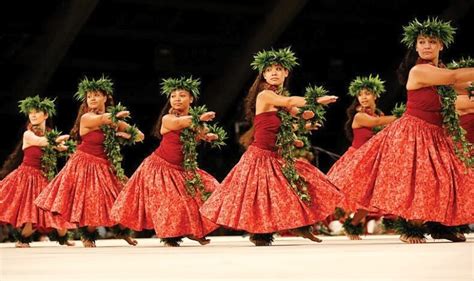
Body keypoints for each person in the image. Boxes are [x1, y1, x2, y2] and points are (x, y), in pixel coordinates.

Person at [329, 18, 474, 243]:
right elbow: (454, 78)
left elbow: (462, 86)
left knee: (445, 178)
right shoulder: (419, 70)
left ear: (441, 45)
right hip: (415, 133)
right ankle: (410, 227)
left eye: (432, 41)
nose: (426, 46)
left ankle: (438, 224)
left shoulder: (440, 70)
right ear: (415, 46)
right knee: (421, 181)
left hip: (436, 133)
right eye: (422, 41)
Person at [200, 47, 343, 246]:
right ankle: (261, 234)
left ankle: (301, 225)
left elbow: (294, 113)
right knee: (260, 197)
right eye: (269, 70)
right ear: (263, 75)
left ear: (286, 72)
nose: (274, 72)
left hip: (277, 156)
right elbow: (290, 101)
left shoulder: (279, 97)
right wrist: (315, 100)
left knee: (305, 181)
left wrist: (307, 118)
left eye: (278, 68)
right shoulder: (265, 95)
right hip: (259, 156)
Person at [111, 76, 221, 247]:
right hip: (160, 168)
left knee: (211, 190)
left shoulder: (196, 122)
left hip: (184, 169)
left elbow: (199, 132)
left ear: (191, 99)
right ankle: (170, 237)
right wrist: (199, 119)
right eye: (173, 96)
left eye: (182, 95)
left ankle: (195, 230)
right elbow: (181, 123)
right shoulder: (168, 119)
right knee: (172, 203)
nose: (176, 99)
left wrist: (208, 136)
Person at [35, 76, 144, 247]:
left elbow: (140, 135)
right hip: (84, 163)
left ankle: (122, 232)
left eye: (96, 95)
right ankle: (87, 235)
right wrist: (115, 117)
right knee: (90, 200)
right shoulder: (87, 117)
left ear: (105, 97)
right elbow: (102, 120)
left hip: (106, 164)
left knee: (119, 197)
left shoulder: (112, 119)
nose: (92, 98)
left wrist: (125, 135)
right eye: (89, 96)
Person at [327, 75, 396, 240]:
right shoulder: (360, 116)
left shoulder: (379, 115)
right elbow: (377, 123)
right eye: (360, 94)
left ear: (376, 96)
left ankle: (353, 225)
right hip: (357, 160)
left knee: (370, 197)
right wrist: (405, 116)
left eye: (367, 93)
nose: (363, 97)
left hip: (373, 162)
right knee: (347, 194)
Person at [0, 96, 74, 247]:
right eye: (30, 112)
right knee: (34, 209)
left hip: (43, 177)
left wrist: (69, 148)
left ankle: (62, 237)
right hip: (26, 176)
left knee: (51, 208)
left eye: (37, 112)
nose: (32, 115)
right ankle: (24, 239)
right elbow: (41, 142)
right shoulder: (28, 134)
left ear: (46, 115)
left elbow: (58, 148)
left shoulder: (50, 134)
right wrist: (57, 141)